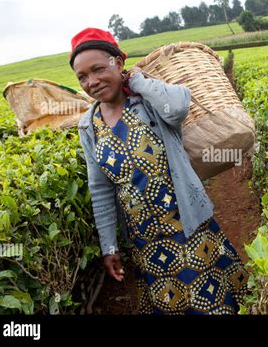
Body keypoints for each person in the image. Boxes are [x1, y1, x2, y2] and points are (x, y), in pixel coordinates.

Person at [70, 27, 249, 314]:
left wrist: (137, 81)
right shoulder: (88, 126)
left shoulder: (147, 103)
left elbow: (179, 105)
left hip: (187, 224)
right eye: (82, 77)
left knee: (211, 299)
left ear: (118, 62)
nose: (91, 81)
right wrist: (109, 247)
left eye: (98, 69)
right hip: (145, 237)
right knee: (170, 303)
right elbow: (100, 188)